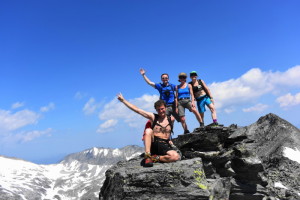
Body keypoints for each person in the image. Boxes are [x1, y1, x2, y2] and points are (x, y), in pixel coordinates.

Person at [117, 93, 181, 167]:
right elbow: (137, 110)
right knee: (148, 130)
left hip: (165, 144)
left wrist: (170, 142)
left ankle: (155, 158)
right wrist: (123, 101)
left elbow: (168, 132)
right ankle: (147, 156)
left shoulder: (171, 119)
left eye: (162, 109)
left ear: (166, 108)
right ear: (156, 110)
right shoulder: (153, 117)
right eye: (158, 109)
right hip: (154, 143)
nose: (161, 111)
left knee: (175, 157)